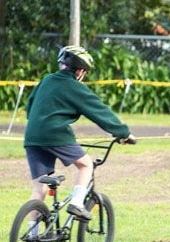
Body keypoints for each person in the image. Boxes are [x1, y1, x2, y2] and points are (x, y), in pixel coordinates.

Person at [24, 45, 135, 227]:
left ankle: (33, 237)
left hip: (32, 137)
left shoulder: (46, 80)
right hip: (56, 135)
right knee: (86, 165)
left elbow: (29, 107)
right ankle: (76, 203)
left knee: (39, 188)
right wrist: (123, 133)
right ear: (81, 70)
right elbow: (98, 111)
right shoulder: (73, 86)